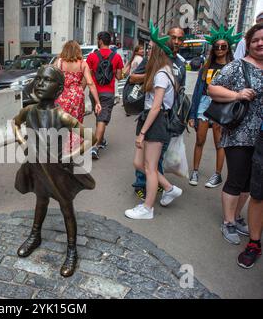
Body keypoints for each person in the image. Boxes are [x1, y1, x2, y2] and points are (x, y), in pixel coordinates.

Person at [13, 65, 96, 277]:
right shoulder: (28, 111)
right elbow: (15, 123)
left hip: (57, 170)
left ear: (59, 90)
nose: (40, 83)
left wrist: (70, 156)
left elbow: (91, 137)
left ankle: (71, 250)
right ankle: (35, 235)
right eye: (38, 78)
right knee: (40, 200)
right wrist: (22, 141)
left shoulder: (62, 116)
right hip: (36, 166)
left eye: (47, 80)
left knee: (66, 207)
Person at [209, 23, 262, 247]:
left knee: (251, 183)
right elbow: (212, 88)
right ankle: (229, 221)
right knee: (236, 179)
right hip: (239, 133)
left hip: (261, 137)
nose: (260, 44)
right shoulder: (237, 66)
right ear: (248, 44)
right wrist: (237, 94)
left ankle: (238, 215)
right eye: (255, 40)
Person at [124, 25, 183, 220]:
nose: (148, 51)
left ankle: (147, 208)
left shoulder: (161, 73)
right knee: (138, 163)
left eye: (150, 49)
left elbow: (157, 107)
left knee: (150, 167)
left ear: (157, 51)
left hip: (156, 121)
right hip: (150, 119)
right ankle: (169, 187)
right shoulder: (161, 71)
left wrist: (142, 133)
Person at [188, 26, 238, 188]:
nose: (219, 49)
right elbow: (197, 91)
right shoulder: (206, 66)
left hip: (222, 105)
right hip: (204, 103)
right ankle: (194, 171)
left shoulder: (233, 67)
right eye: (217, 46)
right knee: (200, 140)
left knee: (219, 142)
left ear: (228, 48)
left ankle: (217, 175)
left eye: (223, 46)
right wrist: (191, 114)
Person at [87, 31, 124, 160]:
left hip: (94, 92)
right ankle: (94, 147)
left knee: (99, 117)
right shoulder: (117, 57)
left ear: (100, 41)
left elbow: (87, 76)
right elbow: (119, 77)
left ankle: (100, 141)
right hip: (108, 92)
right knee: (102, 119)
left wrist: (81, 89)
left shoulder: (92, 56)